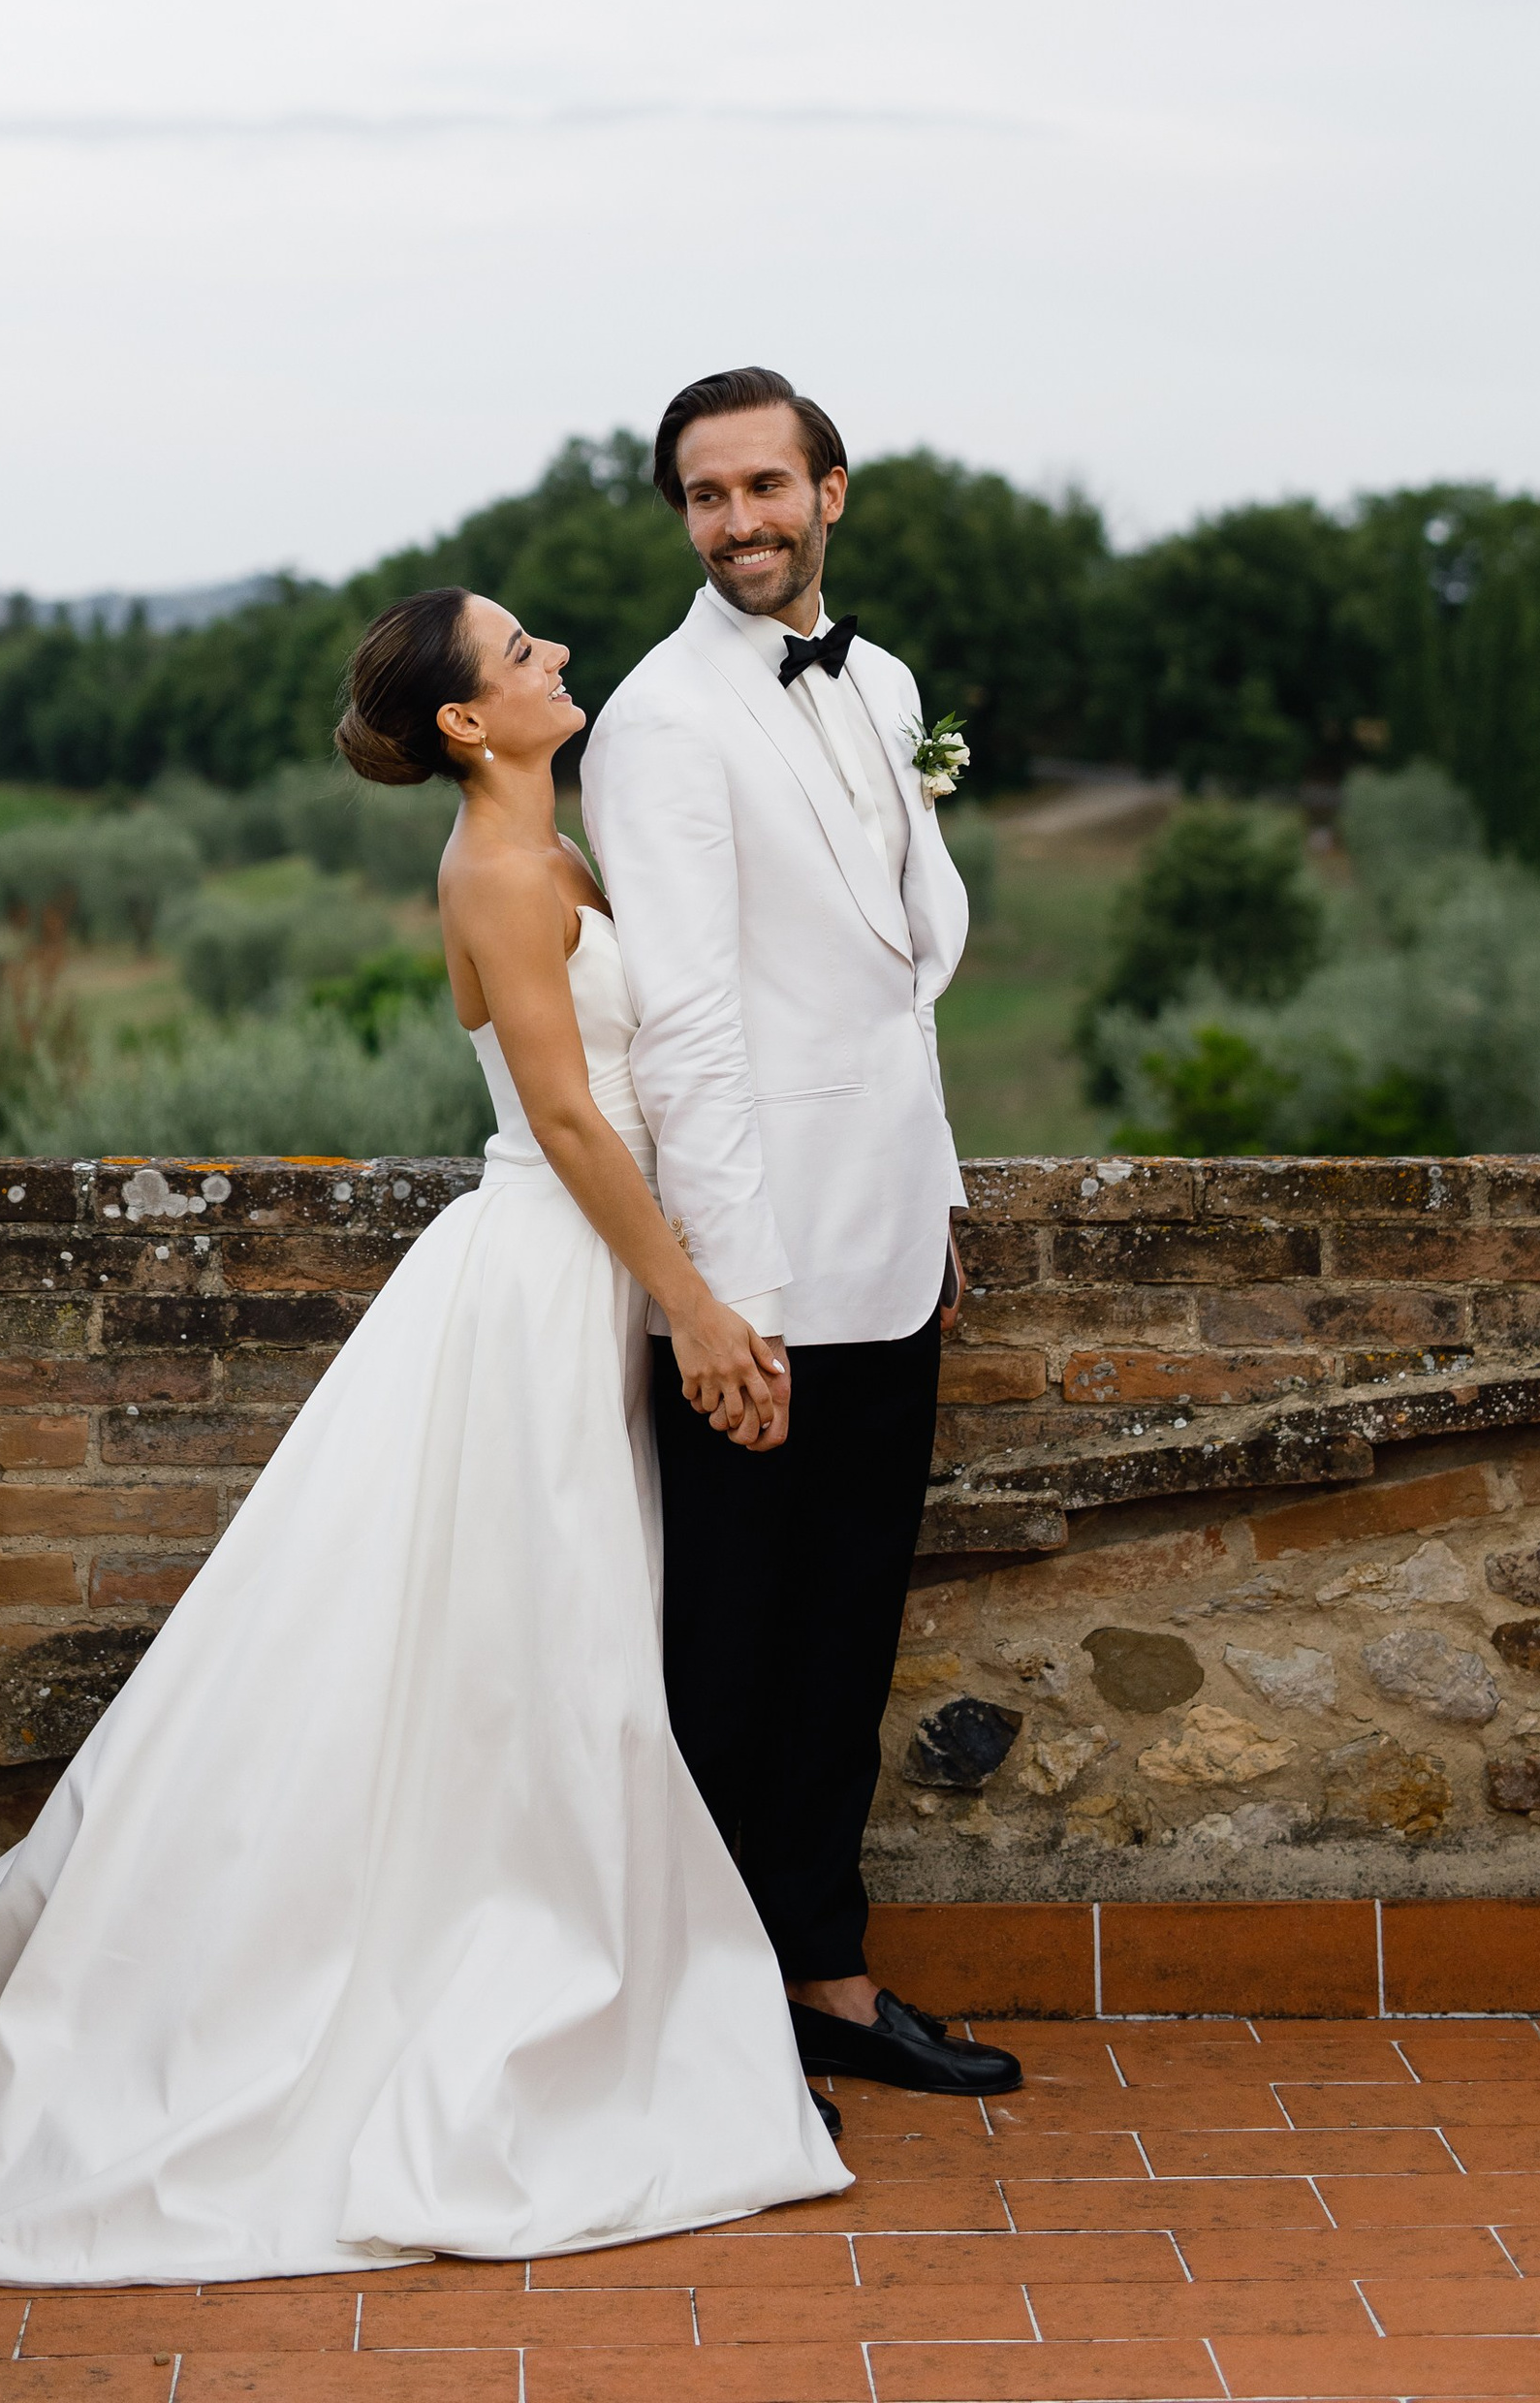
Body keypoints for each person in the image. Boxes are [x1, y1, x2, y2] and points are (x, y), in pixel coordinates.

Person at [0, 584, 845, 2288]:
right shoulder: (502, 874)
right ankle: (498, 1994)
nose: (556, 656)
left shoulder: (560, 855)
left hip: (577, 1279)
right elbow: (569, 1117)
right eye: (521, 656)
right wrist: (700, 1308)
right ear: (464, 726)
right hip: (544, 1279)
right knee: (539, 1650)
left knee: (524, 1641)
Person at [581, 365, 1024, 2103]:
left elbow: (892, 990)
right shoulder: (662, 723)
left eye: (766, 487)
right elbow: (686, 1031)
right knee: (724, 1656)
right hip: (756, 1274)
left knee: (848, 1633)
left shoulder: (888, 679)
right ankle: (694, 2024)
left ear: (832, 490)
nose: (739, 523)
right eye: (706, 497)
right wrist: (724, 1304)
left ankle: (826, 1981)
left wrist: (941, 1197)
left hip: (890, 1241)